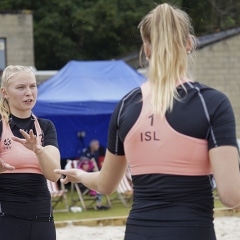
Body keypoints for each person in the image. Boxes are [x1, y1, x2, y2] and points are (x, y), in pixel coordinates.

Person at [54, 3, 240, 240]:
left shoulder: (125, 106)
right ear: (189, 44)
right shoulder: (211, 103)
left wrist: (80, 175)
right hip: (192, 231)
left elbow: (105, 184)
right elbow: (232, 196)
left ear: (147, 49)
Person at [0, 65, 61, 240]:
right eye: (21, 87)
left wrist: (38, 151)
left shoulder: (45, 126)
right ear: (5, 92)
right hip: (6, 217)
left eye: (32, 86)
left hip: (42, 217)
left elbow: (54, 175)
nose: (29, 92)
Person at [79, 140, 110, 210]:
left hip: (93, 176)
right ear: (92, 145)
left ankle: (99, 204)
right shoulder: (85, 153)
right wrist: (92, 164)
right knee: (99, 185)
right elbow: (84, 166)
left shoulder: (97, 152)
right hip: (85, 180)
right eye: (97, 145)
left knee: (101, 184)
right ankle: (98, 205)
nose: (98, 146)